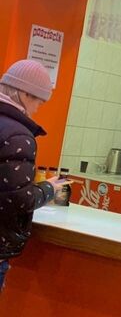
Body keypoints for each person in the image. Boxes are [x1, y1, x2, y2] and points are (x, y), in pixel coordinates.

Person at [0, 60, 68, 292]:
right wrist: (49, 188)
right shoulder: (18, 136)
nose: (38, 108)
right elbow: (18, 199)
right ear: (25, 94)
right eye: (39, 101)